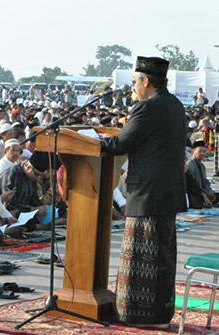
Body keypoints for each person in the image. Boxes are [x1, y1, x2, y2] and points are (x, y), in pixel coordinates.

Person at [101, 56, 186, 328]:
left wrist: (97, 139)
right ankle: (161, 314)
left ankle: (136, 315)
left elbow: (122, 143)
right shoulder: (174, 105)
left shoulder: (147, 108)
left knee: (141, 258)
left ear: (145, 81)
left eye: (135, 81)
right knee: (162, 256)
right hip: (167, 193)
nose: (134, 86)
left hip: (147, 194)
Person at [186, 140, 217, 207]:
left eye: (204, 152)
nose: (203, 154)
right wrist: (205, 194)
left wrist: (210, 191)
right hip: (195, 193)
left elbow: (206, 182)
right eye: (200, 151)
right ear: (193, 151)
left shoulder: (202, 166)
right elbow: (193, 185)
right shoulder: (189, 165)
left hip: (204, 192)